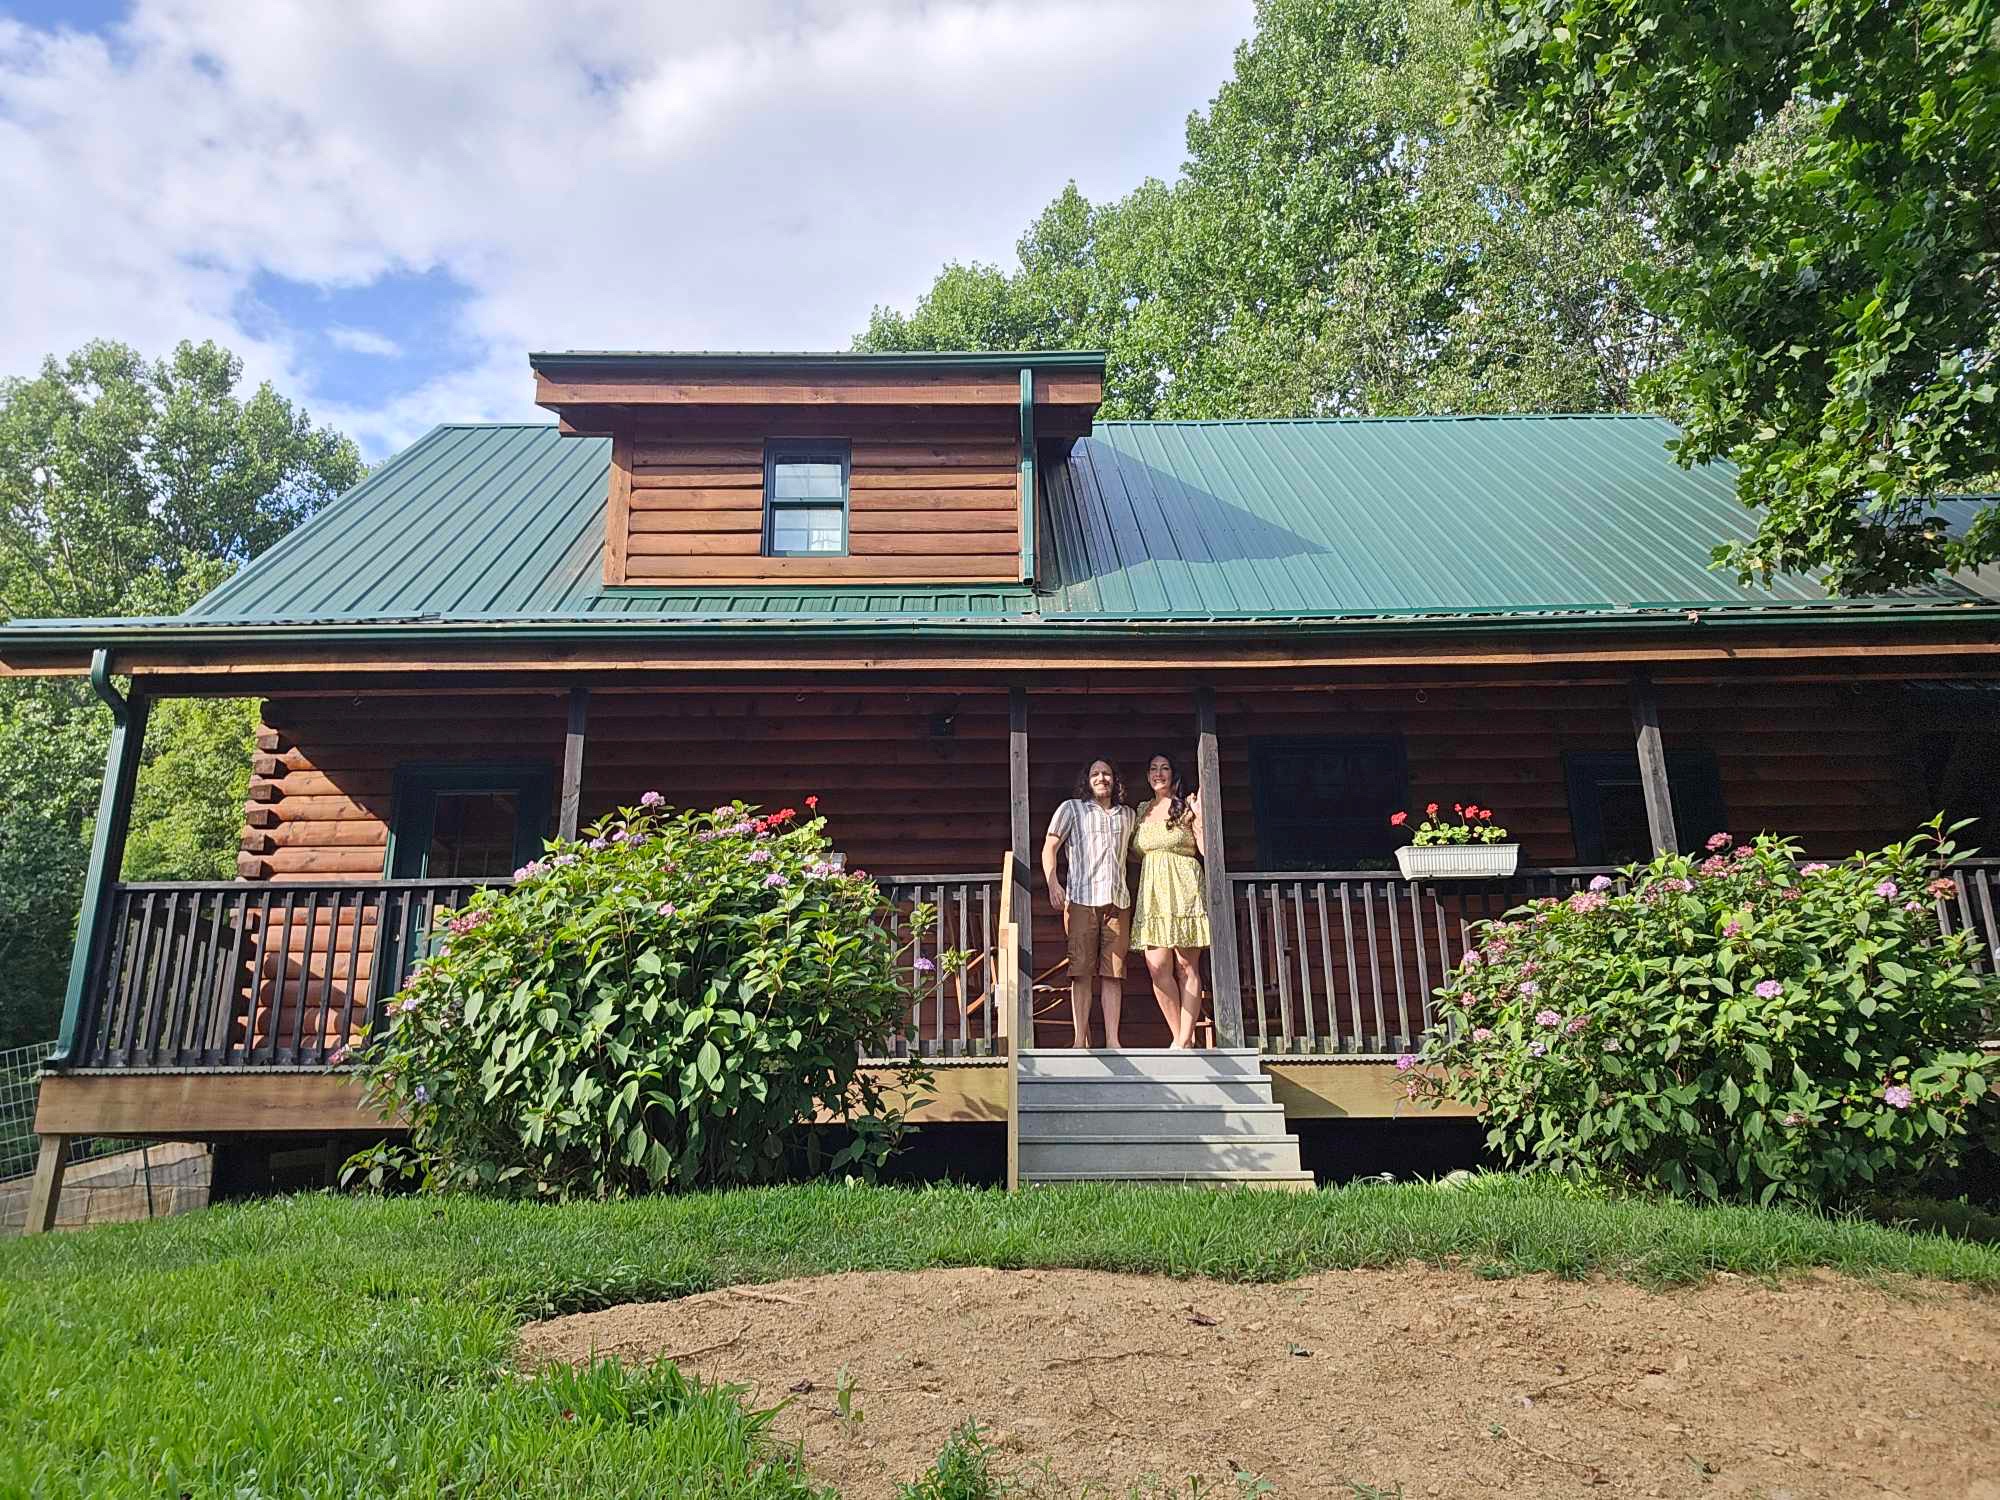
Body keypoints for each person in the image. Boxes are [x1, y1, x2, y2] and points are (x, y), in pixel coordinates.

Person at [1042, 758, 1138, 1048]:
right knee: (1081, 972)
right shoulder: (1071, 808)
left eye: (1107, 773)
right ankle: (1078, 1041)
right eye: (1095, 774)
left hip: (1117, 901)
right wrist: (1053, 883)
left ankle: (1112, 1041)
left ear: (1115, 780)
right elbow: (1050, 847)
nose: (1101, 778)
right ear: (1087, 779)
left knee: (1113, 974)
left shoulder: (1129, 815)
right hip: (1082, 899)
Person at [1130, 752, 1211, 1048]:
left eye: (1164, 767)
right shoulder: (1142, 810)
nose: (1158, 773)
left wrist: (1200, 815)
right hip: (1152, 893)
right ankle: (1181, 1038)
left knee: (1185, 966)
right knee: (1157, 965)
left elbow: (1205, 850)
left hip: (1184, 888)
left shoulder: (1186, 806)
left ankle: (1184, 1039)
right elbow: (1131, 851)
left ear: (1174, 773)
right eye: (1153, 768)